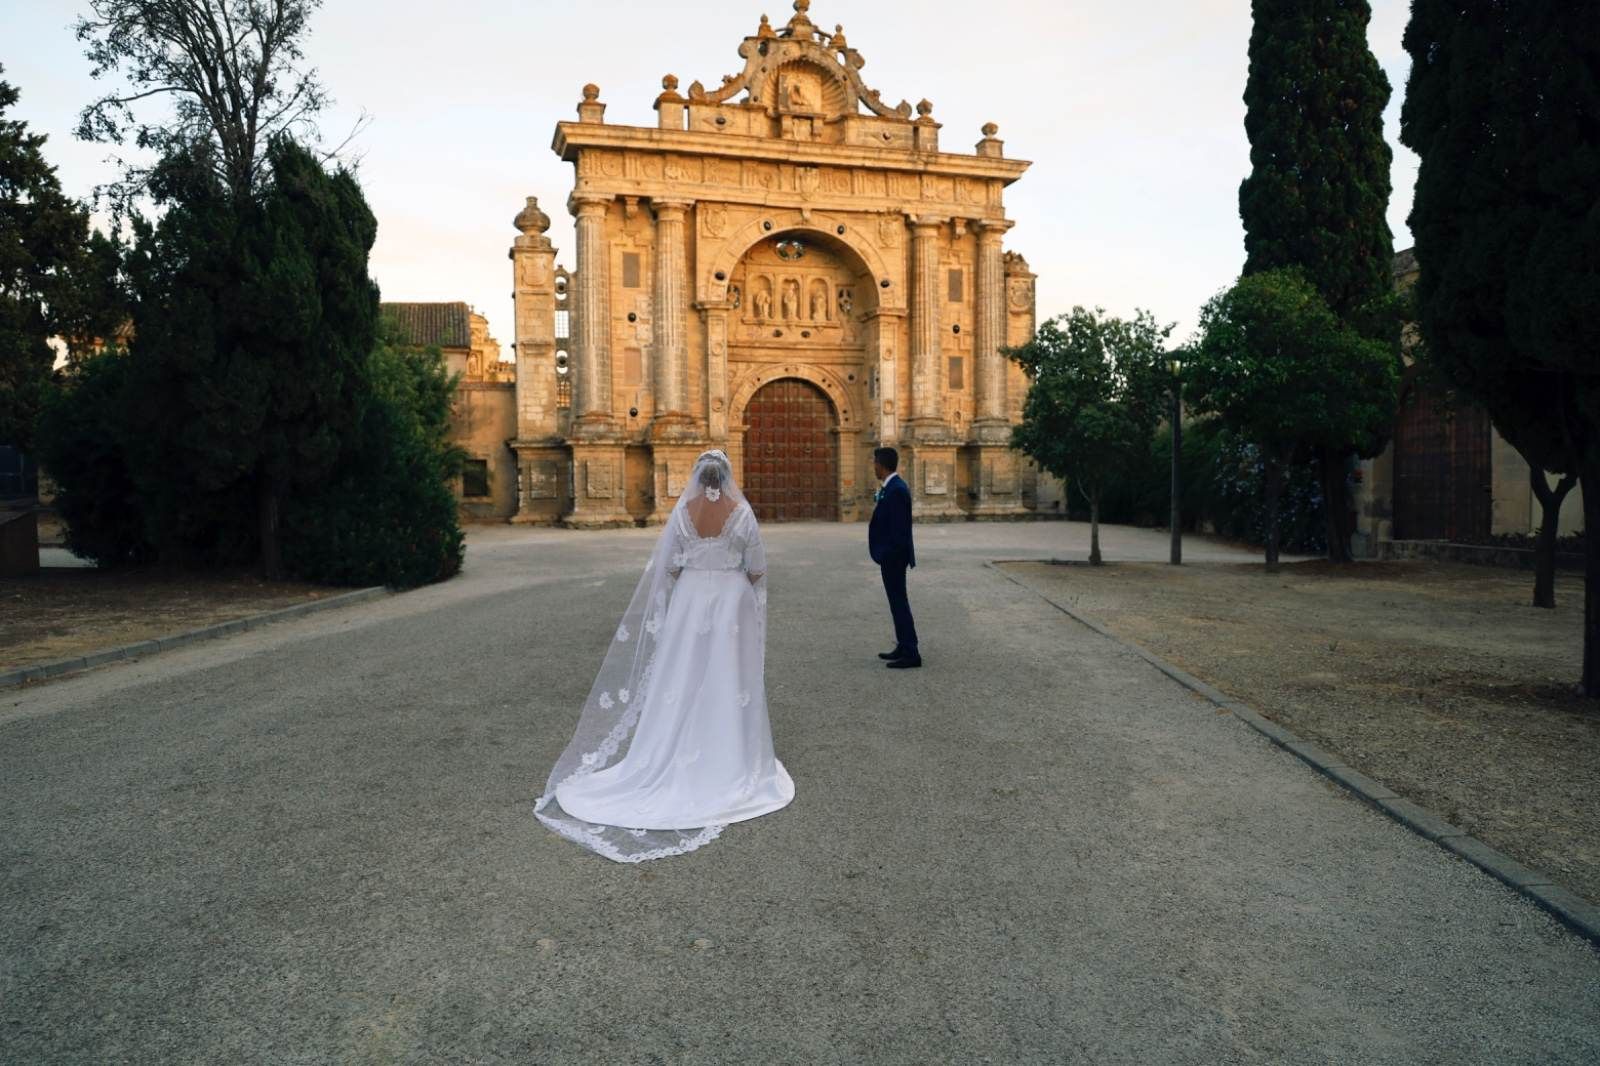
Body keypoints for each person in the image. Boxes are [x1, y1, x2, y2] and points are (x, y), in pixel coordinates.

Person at [534, 449, 794, 862]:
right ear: (726, 478)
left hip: (691, 597)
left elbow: (668, 567)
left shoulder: (684, 512)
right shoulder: (741, 512)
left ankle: (672, 743)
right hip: (730, 600)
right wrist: (732, 575)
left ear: (697, 478)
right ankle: (726, 749)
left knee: (683, 671)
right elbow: (757, 566)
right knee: (729, 675)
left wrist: (694, 573)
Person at [868, 446, 920, 668]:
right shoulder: (892, 487)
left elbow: (899, 531)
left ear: (881, 465)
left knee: (899, 603)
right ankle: (903, 644)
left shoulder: (897, 490)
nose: (873, 467)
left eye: (875, 463)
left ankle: (911, 653)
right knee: (896, 603)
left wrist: (887, 554)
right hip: (892, 557)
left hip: (894, 558)